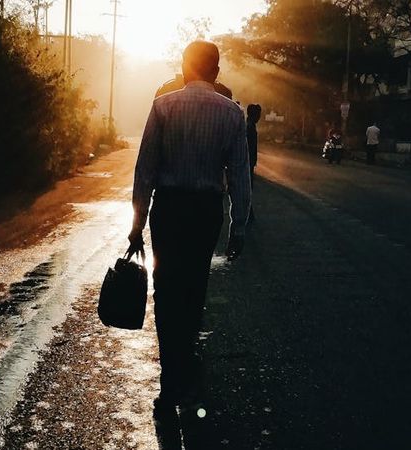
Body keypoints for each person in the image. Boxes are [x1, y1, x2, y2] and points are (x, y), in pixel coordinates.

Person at [127, 40, 251, 429]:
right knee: (194, 290)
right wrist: (238, 225)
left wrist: (136, 224)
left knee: (165, 292)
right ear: (216, 72)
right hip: (205, 212)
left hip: (168, 210)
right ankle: (187, 373)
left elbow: (145, 168)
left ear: (184, 68)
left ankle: (170, 382)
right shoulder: (231, 113)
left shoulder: (163, 106)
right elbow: (240, 175)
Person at [246, 104, 262, 223]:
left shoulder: (250, 126)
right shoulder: (249, 128)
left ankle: (249, 212)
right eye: (258, 114)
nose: (259, 117)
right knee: (247, 188)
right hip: (247, 163)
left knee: (248, 188)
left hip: (249, 163)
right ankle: (247, 213)